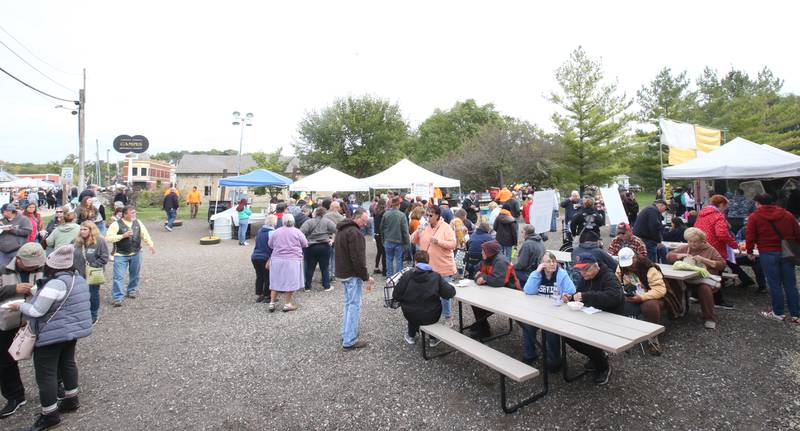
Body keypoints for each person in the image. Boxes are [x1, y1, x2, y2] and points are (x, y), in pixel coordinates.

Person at [7, 245, 91, 431]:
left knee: (46, 374)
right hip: (70, 332)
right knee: (67, 364)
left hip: (52, 334)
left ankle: (49, 414)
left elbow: (37, 311)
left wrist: (19, 305)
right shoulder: (77, 279)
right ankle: (71, 399)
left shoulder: (55, 283)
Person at [561, 253, 623, 385]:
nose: (583, 273)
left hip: (609, 316)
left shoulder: (608, 276)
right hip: (590, 315)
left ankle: (603, 367)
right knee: (566, 334)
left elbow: (614, 297)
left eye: (586, 269)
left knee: (588, 335)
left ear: (596, 266)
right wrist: (571, 297)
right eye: (580, 270)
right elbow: (580, 293)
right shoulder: (586, 276)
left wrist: (585, 296)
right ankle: (597, 356)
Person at [0, 243, 46, 418]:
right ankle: (15, 397)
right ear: (18, 259)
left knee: (45, 358)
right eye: (31, 263)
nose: (35, 266)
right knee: (5, 361)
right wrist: (13, 289)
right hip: (7, 322)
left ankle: (54, 390)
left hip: (36, 321)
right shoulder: (3, 270)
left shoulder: (45, 268)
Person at [746, 193, 800, 323]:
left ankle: (778, 313)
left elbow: (750, 235)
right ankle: (796, 314)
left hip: (767, 252)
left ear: (758, 203)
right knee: (790, 283)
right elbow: (797, 233)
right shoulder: (787, 214)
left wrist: (749, 250)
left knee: (774, 283)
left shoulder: (755, 216)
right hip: (787, 251)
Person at [521, 251, 574, 368]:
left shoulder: (561, 274)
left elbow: (571, 290)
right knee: (527, 326)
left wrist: (566, 296)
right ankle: (529, 354)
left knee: (551, 332)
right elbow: (528, 290)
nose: (552, 264)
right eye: (548, 262)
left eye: (554, 261)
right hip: (539, 312)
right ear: (541, 264)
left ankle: (554, 360)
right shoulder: (537, 275)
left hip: (556, 313)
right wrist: (537, 272)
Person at [392, 250, 456, 345]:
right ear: (428, 261)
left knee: (414, 310)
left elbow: (396, 295)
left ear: (415, 262)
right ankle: (433, 339)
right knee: (428, 309)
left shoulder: (407, 275)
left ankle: (411, 336)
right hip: (431, 314)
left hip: (410, 314)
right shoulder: (435, 276)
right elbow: (450, 293)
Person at [666, 228, 726, 329]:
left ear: (703, 241)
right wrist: (678, 255)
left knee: (704, 289)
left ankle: (709, 318)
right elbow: (668, 256)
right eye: (689, 241)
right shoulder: (686, 248)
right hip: (686, 279)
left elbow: (722, 265)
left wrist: (705, 260)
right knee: (672, 282)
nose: (692, 244)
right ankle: (678, 310)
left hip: (703, 279)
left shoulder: (710, 249)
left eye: (695, 242)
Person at [411, 205, 457, 327]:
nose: (428, 217)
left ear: (437, 216)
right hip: (428, 267)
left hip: (443, 266)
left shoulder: (446, 227)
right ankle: (432, 317)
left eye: (430, 215)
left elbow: (453, 244)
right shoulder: (424, 227)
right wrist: (417, 232)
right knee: (429, 294)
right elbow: (412, 240)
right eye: (426, 215)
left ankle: (448, 317)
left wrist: (439, 242)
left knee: (445, 295)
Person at [615, 248, 667, 355]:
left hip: (651, 297)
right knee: (615, 302)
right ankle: (623, 334)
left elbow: (660, 290)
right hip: (632, 296)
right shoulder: (621, 268)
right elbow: (617, 283)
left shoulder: (649, 268)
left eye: (630, 263)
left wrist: (641, 297)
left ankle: (653, 337)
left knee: (649, 306)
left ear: (635, 258)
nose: (628, 266)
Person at [335, 208, 374, 350]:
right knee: (354, 305)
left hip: (343, 272)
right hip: (351, 274)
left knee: (348, 304)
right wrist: (366, 277)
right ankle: (350, 339)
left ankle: (346, 334)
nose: (365, 224)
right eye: (363, 221)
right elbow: (357, 259)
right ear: (356, 217)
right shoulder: (354, 232)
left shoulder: (341, 229)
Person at [105, 206, 156, 307]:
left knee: (135, 274)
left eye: (134, 212)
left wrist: (150, 244)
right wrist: (122, 236)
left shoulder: (138, 222)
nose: (134, 214)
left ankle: (132, 290)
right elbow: (108, 238)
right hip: (120, 254)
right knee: (118, 276)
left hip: (136, 253)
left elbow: (145, 234)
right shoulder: (115, 224)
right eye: (132, 213)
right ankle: (118, 297)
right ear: (125, 214)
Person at [694, 194, 738, 309]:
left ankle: (698, 296)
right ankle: (718, 300)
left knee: (702, 272)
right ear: (721, 205)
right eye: (725, 206)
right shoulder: (718, 216)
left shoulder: (701, 214)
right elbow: (722, 233)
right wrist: (733, 244)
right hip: (715, 248)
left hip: (701, 245)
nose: (726, 209)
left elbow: (695, 228)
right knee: (717, 274)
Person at [468, 240, 519, 340]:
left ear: (489, 252)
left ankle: (483, 328)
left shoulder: (501, 261)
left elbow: (498, 282)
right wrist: (481, 277)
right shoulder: (486, 259)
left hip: (510, 294)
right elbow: (475, 271)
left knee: (480, 304)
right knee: (474, 302)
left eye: (483, 251)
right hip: (493, 291)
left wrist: (484, 278)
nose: (481, 253)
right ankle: (483, 326)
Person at [267, 214, 307, 312]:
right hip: (292, 259)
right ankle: (287, 304)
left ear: (283, 221)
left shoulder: (276, 232)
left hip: (277, 259)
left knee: (275, 280)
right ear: (293, 221)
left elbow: (270, 244)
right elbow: (305, 244)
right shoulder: (298, 232)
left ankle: (272, 303)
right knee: (290, 281)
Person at [72, 221, 109, 324]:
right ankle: (82, 314)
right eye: (81, 229)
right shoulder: (76, 242)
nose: (82, 231)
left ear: (91, 230)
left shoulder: (100, 241)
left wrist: (92, 266)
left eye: (85, 229)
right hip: (78, 273)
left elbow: (104, 258)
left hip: (93, 273)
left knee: (93, 294)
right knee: (79, 295)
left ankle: (93, 314)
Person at [301, 207, 337, 292]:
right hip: (324, 246)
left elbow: (301, 232)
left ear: (315, 213)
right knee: (324, 267)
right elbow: (337, 230)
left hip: (311, 247)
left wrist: (306, 241)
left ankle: (307, 287)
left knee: (310, 267)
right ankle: (326, 286)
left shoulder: (309, 221)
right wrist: (332, 240)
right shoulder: (327, 221)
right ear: (324, 214)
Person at [382, 197, 410, 277]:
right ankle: (398, 277)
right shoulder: (402, 215)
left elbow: (382, 228)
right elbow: (405, 231)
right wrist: (407, 243)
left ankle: (389, 277)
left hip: (388, 240)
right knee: (398, 260)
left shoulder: (386, 214)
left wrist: (383, 240)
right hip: (399, 242)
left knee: (389, 259)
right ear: (399, 205)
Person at [633, 199, 668, 263]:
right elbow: (654, 227)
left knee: (663, 250)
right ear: (660, 205)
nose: (664, 211)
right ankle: (654, 269)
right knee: (652, 260)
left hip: (644, 237)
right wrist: (658, 241)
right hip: (646, 238)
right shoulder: (652, 210)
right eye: (664, 209)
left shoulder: (652, 210)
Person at [251, 215, 277, 303]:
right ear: (274, 222)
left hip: (255, 256)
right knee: (268, 276)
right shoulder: (272, 233)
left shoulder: (259, 231)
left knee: (259, 276)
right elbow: (274, 246)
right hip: (265, 257)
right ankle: (267, 295)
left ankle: (259, 294)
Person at [0, 203, 33, 268]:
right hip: (2, 251)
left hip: (16, 250)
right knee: (2, 271)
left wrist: (12, 230)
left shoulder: (23, 219)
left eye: (3, 212)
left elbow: (28, 231)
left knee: (15, 269)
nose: (2, 213)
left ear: (10, 211)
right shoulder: (2, 220)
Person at [323, 200, 346, 277]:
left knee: (328, 258)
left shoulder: (325, 216)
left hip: (327, 238)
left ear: (332, 207)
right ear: (338, 208)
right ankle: (334, 273)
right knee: (335, 257)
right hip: (338, 239)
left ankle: (328, 274)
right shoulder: (342, 218)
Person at [371, 199, 387, 275]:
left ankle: (376, 268)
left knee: (379, 252)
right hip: (381, 235)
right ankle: (384, 271)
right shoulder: (383, 213)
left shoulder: (375, 212)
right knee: (384, 253)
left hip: (376, 234)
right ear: (383, 204)